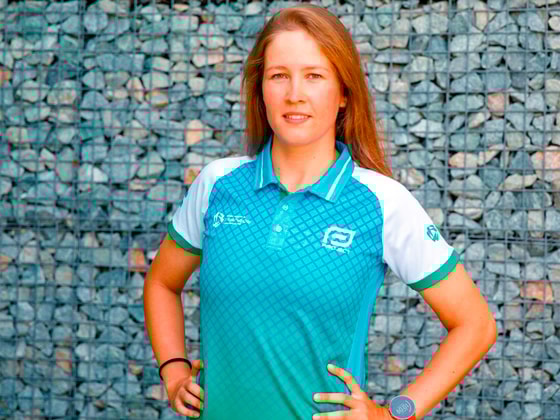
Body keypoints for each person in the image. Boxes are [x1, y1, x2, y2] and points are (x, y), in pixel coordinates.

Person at [143, 4, 497, 420]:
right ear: (261, 89)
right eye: (279, 76)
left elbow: (475, 325)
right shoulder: (217, 184)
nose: (295, 93)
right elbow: (162, 283)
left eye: (314, 75)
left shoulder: (382, 202)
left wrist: (392, 414)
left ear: (343, 92)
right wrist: (173, 371)